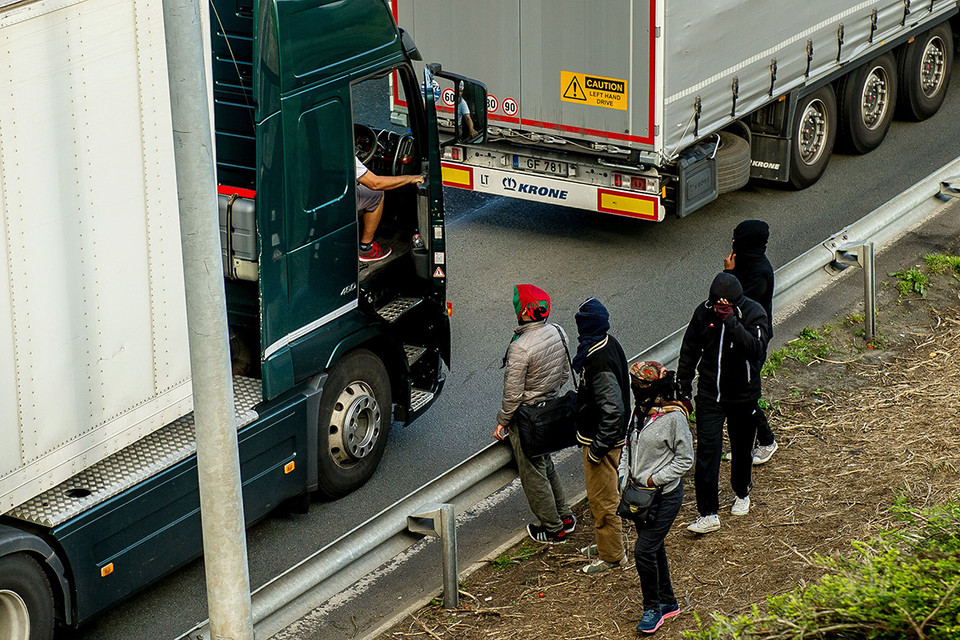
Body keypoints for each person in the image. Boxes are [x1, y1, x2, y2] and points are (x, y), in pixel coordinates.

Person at [677, 273, 768, 534]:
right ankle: (708, 513)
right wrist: (683, 389)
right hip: (709, 396)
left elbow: (756, 349)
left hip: (743, 396)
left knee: (741, 448)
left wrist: (732, 322)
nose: (719, 309)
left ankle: (742, 492)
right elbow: (689, 351)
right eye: (716, 305)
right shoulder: (703, 313)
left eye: (724, 306)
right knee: (707, 452)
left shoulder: (754, 313)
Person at [494, 284, 577, 544]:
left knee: (533, 475)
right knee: (547, 465)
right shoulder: (558, 332)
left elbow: (513, 394)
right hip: (550, 411)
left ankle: (553, 529)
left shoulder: (520, 348)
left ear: (525, 313)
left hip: (527, 419)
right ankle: (564, 516)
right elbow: (564, 373)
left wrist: (502, 422)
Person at [619, 361, 694, 634]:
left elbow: (685, 459)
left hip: (665, 497)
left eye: (640, 385)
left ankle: (652, 608)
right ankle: (669, 602)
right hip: (639, 497)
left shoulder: (674, 418)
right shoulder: (638, 413)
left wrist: (653, 479)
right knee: (655, 549)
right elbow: (628, 446)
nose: (635, 390)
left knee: (643, 551)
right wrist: (623, 475)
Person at [572, 297, 630, 573]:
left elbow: (613, 409)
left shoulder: (597, 358)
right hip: (604, 438)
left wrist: (597, 448)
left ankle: (612, 556)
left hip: (602, 442)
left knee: (603, 499)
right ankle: (607, 542)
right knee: (604, 496)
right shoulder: (606, 343)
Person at [724, 219, 778, 464]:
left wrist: (729, 274)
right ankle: (746, 443)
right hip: (738, 338)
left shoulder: (760, 272)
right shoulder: (746, 262)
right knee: (736, 395)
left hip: (753, 342)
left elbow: (738, 305)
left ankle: (767, 441)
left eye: (737, 237)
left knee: (745, 396)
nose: (733, 241)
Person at [355, 155, 424, 262]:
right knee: (377, 193)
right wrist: (410, 178)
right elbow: (375, 183)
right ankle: (366, 248)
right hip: (338, 199)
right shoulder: (344, 151)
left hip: (325, 194)